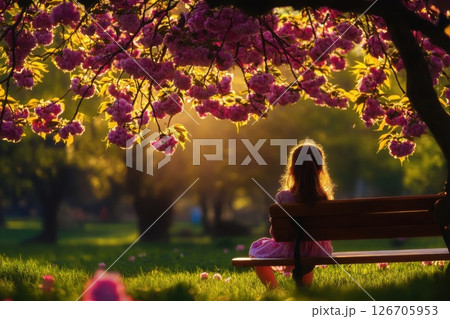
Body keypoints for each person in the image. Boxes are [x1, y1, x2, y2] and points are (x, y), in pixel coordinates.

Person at [249, 140, 335, 288]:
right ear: (320, 170)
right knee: (307, 248)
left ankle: (274, 290)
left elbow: (277, 234)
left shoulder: (284, 197)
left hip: (292, 249)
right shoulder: (324, 198)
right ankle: (305, 291)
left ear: (292, 169)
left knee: (257, 251)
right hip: (318, 251)